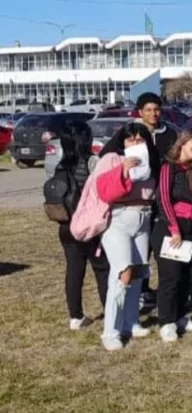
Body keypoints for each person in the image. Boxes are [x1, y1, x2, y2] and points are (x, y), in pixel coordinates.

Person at [95, 123, 160, 350]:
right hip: (118, 220)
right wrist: (122, 171)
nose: (135, 144)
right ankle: (110, 331)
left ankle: (130, 322)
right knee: (122, 272)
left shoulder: (151, 160)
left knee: (139, 273)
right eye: (130, 140)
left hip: (144, 218)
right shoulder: (111, 159)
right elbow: (103, 190)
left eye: (139, 139)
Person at [153, 129, 192, 343]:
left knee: (186, 276)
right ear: (182, 144)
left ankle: (179, 316)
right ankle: (166, 321)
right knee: (170, 277)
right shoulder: (169, 167)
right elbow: (164, 200)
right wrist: (174, 228)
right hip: (171, 229)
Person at [54, 120, 109, 331]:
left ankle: (75, 316)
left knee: (74, 270)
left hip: (65, 225)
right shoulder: (92, 163)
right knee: (102, 268)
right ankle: (109, 309)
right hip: (88, 224)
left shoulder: (60, 165)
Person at [134, 92, 178, 308]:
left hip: (163, 198)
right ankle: (141, 289)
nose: (153, 114)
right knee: (142, 249)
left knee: (163, 246)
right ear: (140, 112)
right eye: (148, 110)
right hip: (140, 200)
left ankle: (168, 289)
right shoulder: (132, 133)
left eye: (156, 109)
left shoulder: (169, 133)